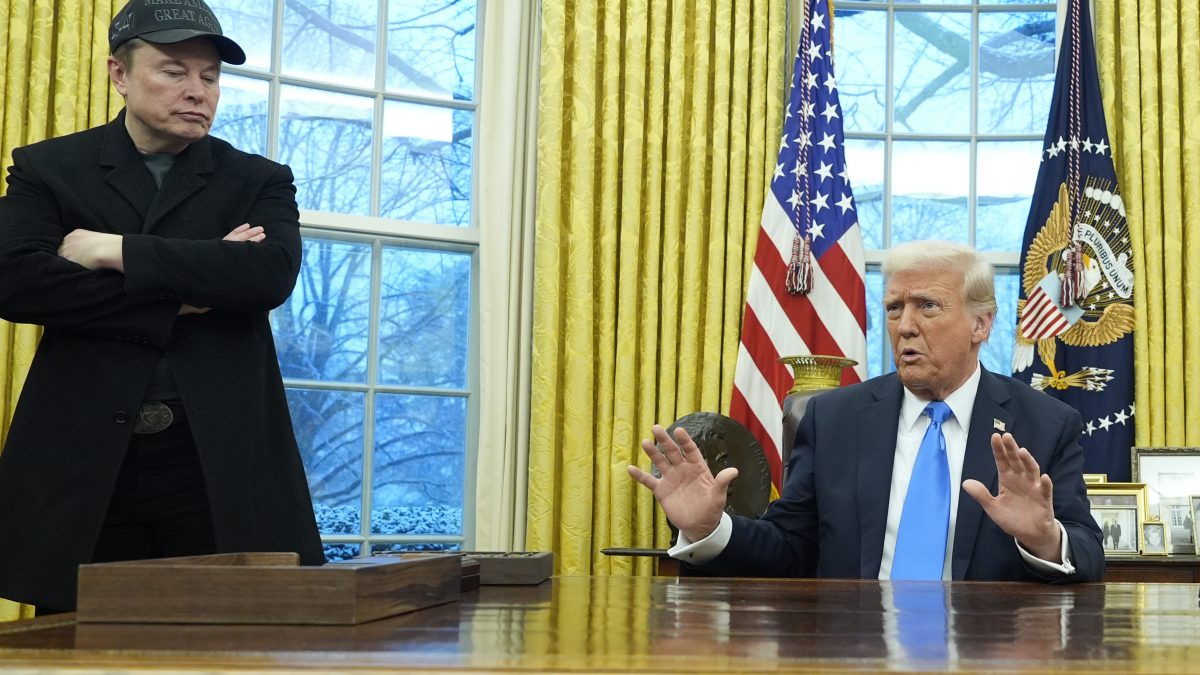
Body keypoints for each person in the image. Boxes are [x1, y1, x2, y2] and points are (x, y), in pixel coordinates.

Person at [0, 0, 324, 612]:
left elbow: (267, 276)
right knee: (75, 640)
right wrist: (188, 291)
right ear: (119, 74)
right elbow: (15, 282)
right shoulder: (50, 168)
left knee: (227, 637)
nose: (197, 91)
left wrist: (112, 249)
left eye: (210, 76)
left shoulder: (257, 179)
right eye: (174, 71)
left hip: (216, 457)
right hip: (85, 458)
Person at [630, 241, 1104, 582]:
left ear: (981, 324)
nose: (905, 326)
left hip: (986, 655)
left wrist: (1045, 538)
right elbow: (790, 547)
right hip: (856, 649)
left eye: (928, 306)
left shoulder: (1045, 423)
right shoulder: (834, 420)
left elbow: (1087, 551)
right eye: (894, 308)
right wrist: (709, 528)